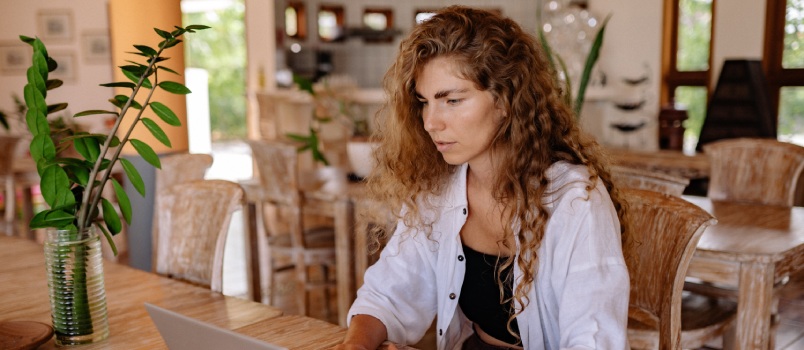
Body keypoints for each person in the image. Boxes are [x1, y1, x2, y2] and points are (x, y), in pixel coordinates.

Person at [334, 6, 630, 350]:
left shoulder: (575, 202)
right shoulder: (439, 190)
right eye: (424, 102)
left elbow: (593, 341)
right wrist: (355, 345)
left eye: (452, 100)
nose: (431, 122)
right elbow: (389, 293)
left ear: (506, 100)